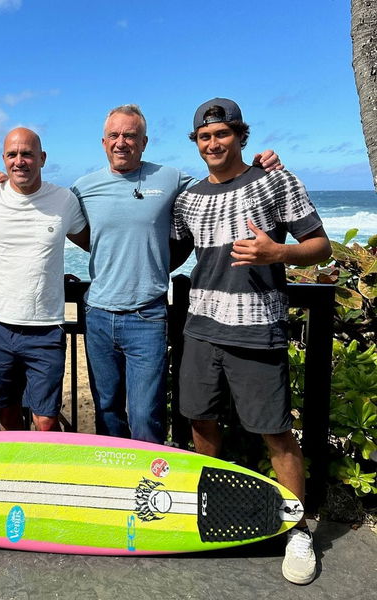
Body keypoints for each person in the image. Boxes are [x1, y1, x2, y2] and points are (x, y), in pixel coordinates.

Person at [0, 105, 281, 444]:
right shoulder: (82, 188)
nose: (121, 142)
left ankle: (149, 485)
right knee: (107, 409)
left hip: (147, 316)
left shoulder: (170, 179)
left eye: (130, 136)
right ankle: (117, 483)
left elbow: (218, 184)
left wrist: (257, 168)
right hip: (97, 315)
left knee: (144, 413)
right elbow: (81, 235)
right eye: (114, 136)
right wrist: (1, 179)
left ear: (144, 141)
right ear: (103, 142)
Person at [171, 98, 331, 584]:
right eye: (205, 136)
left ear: (240, 135)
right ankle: (210, 512)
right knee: (200, 423)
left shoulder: (275, 180)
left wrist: (278, 251)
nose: (214, 143)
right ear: (196, 144)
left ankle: (297, 531)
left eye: (222, 134)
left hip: (258, 329)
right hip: (200, 326)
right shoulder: (188, 198)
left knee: (275, 430)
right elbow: (170, 247)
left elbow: (319, 245)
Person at [0, 128, 88, 431]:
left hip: (46, 326)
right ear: (3, 160)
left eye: (27, 154)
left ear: (42, 158)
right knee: (5, 411)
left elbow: (91, 240)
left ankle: (44, 473)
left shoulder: (64, 200)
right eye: (12, 154)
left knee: (45, 417)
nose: (20, 161)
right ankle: (15, 473)